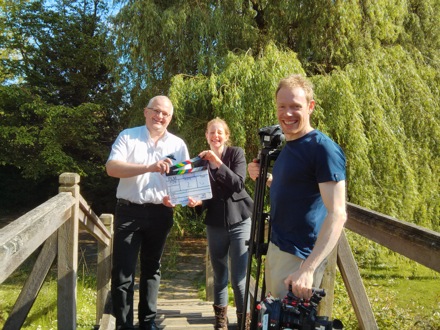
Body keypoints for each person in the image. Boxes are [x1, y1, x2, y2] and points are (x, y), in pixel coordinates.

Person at [248, 74, 347, 301]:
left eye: (295, 106)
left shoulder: (323, 149)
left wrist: (308, 269)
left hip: (298, 258)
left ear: (310, 107)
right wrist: (266, 178)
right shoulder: (290, 145)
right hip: (277, 248)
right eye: (282, 106)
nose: (287, 113)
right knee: (270, 320)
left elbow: (338, 213)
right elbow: (297, 187)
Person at [106, 95, 190, 330]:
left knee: (152, 269)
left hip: (161, 213)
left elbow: (185, 180)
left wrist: (182, 198)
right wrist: (150, 167)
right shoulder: (128, 135)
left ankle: (148, 323)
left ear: (170, 118)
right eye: (156, 111)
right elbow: (111, 168)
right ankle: (124, 325)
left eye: (165, 114)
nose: (160, 116)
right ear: (146, 111)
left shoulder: (177, 144)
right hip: (128, 211)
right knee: (123, 272)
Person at [187, 117, 253, 330]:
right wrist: (196, 202)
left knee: (239, 277)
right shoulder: (199, 161)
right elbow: (201, 194)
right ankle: (221, 322)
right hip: (215, 222)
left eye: (219, 132)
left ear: (226, 136)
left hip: (240, 219)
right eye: (211, 132)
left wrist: (217, 162)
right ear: (206, 136)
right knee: (220, 274)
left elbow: (238, 184)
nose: (216, 136)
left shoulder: (236, 154)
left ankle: (244, 322)